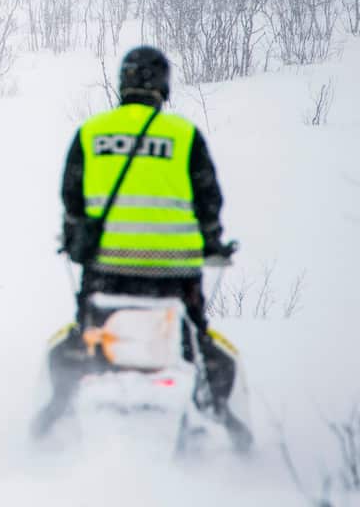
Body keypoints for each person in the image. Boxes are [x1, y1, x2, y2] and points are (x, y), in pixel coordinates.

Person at [32, 45, 251, 449]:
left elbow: (72, 198)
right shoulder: (184, 136)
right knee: (195, 346)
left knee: (85, 337)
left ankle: (55, 414)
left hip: (106, 271)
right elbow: (209, 201)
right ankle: (216, 413)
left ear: (122, 84)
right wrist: (213, 242)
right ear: (164, 86)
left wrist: (75, 239)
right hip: (175, 276)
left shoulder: (92, 132)